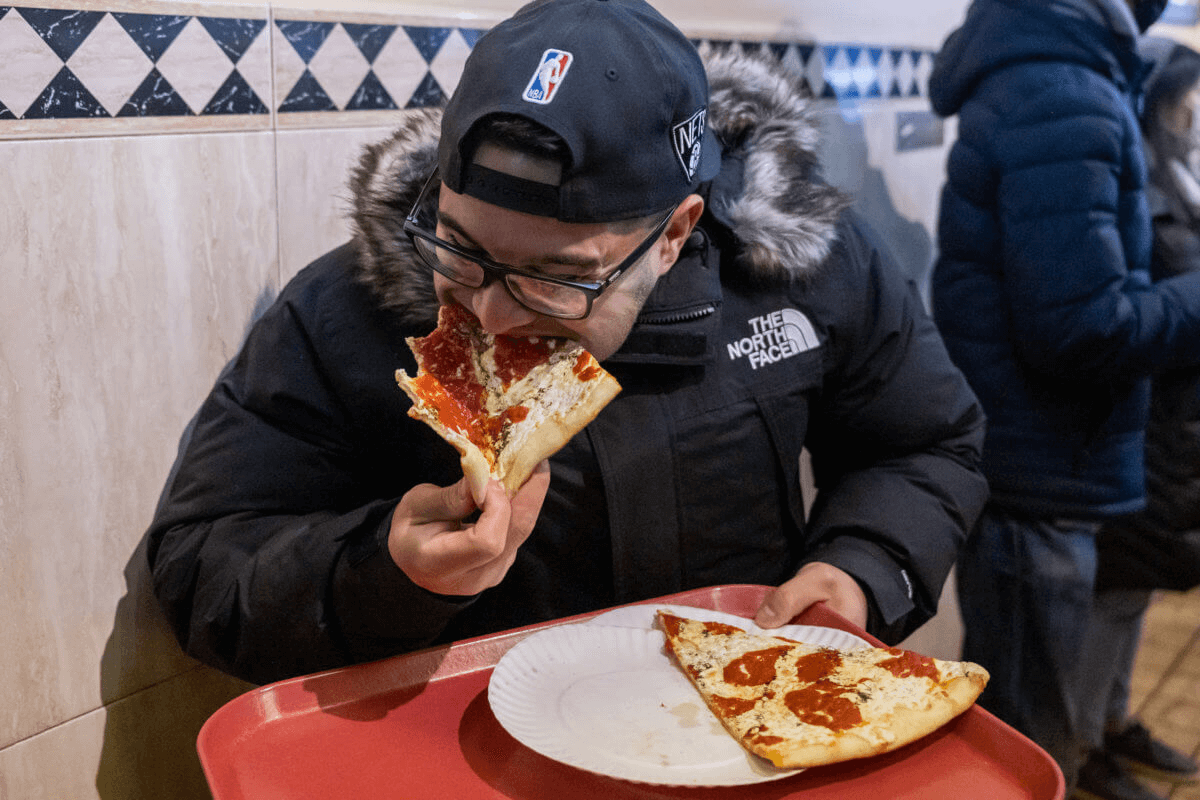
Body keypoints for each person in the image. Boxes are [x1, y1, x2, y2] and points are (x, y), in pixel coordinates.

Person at [146, 0, 989, 687]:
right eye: (459, 247)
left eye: (559, 276)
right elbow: (200, 566)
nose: (494, 314)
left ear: (674, 233)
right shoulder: (342, 313)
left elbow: (926, 443)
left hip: (737, 738)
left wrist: (863, 568)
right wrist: (387, 572)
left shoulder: (804, 268)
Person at [929, 0, 1200, 797]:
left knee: (1033, 725)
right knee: (1027, 743)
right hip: (1038, 464)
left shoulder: (1058, 73)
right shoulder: (1063, 91)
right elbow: (1081, 328)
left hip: (1045, 457)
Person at [1075, 37, 1200, 799]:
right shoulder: (1138, 184)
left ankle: (1112, 721)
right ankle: (1088, 742)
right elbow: (1123, 315)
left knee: (1137, 590)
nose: (1193, 117)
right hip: (1141, 419)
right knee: (1116, 590)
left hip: (1175, 420)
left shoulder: (1173, 171)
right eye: (1186, 104)